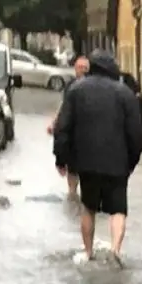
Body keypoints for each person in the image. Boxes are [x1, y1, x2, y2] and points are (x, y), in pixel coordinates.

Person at [52, 51, 142, 263]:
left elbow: (62, 128)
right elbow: (136, 134)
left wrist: (61, 158)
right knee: (118, 209)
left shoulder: (75, 91)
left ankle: (88, 252)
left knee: (88, 206)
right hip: (117, 163)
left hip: (86, 162)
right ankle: (115, 250)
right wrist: (131, 162)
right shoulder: (125, 94)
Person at [49, 55, 90, 199]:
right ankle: (72, 197)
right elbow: (64, 106)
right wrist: (54, 122)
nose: (83, 70)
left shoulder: (94, 87)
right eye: (80, 67)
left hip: (89, 134)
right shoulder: (71, 86)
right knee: (72, 169)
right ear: (75, 69)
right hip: (73, 133)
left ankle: (83, 200)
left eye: (86, 68)